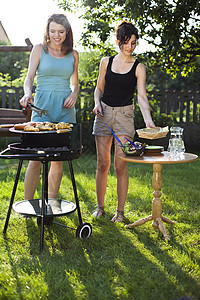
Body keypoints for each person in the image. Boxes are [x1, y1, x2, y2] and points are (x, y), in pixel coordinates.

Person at [92, 20, 155, 222]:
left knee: (120, 166)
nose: (130, 47)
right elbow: (99, 89)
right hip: (104, 115)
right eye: (126, 42)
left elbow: (142, 97)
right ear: (118, 41)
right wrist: (97, 103)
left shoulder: (139, 67)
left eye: (134, 43)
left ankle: (120, 213)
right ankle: (100, 207)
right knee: (103, 164)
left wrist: (148, 122)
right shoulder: (106, 62)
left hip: (125, 116)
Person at [20, 14, 79, 200]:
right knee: (35, 160)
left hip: (65, 109)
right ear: (48, 31)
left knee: (58, 160)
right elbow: (29, 78)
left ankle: (52, 203)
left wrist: (74, 94)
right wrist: (28, 93)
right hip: (42, 107)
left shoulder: (73, 54)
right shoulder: (39, 49)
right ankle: (28, 204)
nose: (56, 35)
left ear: (67, 32)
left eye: (61, 31)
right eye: (53, 31)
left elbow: (75, 84)